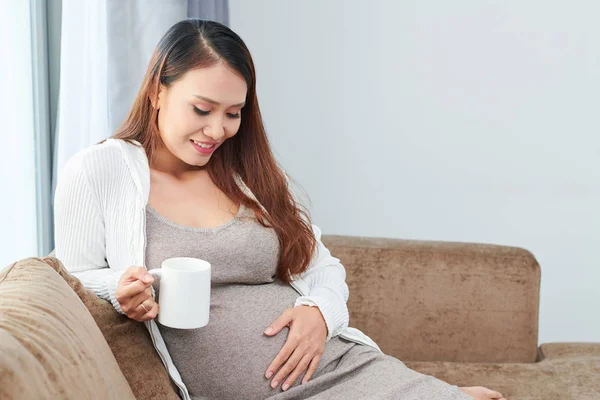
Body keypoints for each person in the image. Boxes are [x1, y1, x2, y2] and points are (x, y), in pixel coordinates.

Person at [54, 19, 506, 400]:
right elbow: (71, 278)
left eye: (234, 113)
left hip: (341, 366)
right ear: (157, 91)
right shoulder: (100, 171)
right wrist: (120, 288)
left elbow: (323, 266)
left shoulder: (250, 174)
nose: (218, 129)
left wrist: (320, 313)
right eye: (202, 109)